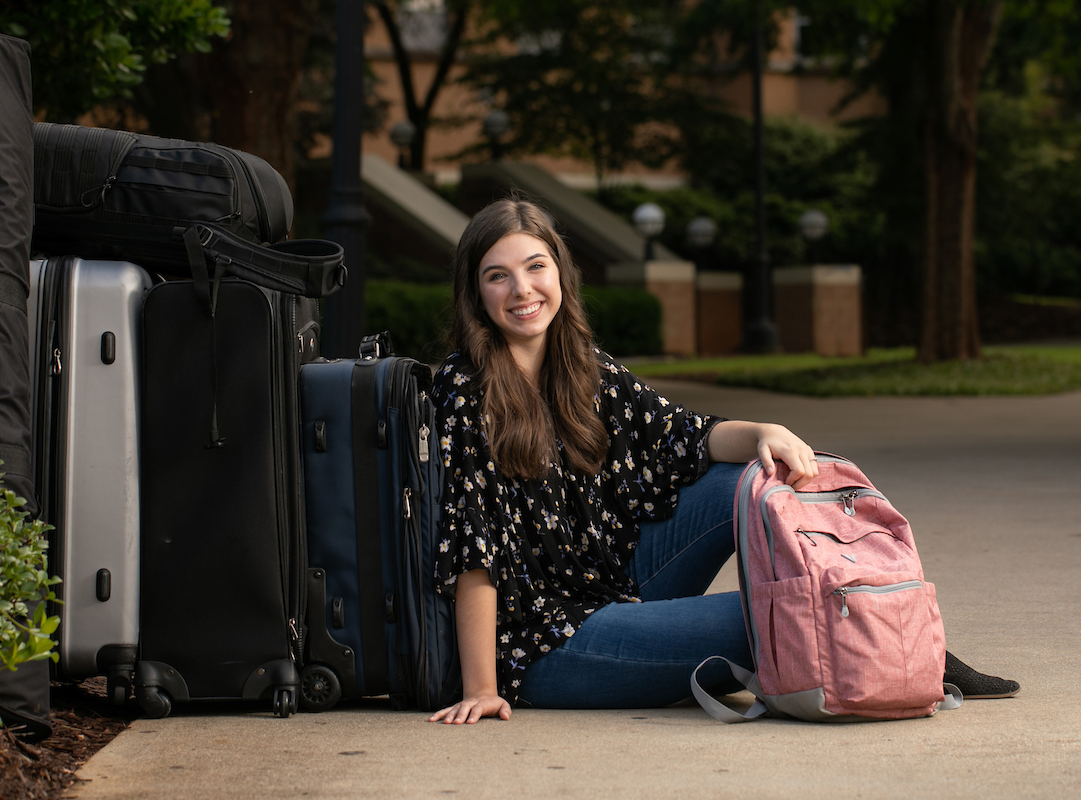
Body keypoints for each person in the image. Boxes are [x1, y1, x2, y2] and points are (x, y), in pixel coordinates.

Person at [427, 198, 1018, 724]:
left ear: (560, 272)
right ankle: (904, 641)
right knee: (772, 616)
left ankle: (890, 620)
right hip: (546, 641)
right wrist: (483, 687)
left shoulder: (582, 366)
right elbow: (475, 550)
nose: (522, 290)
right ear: (476, 293)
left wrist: (769, 430)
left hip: (611, 585)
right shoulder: (465, 389)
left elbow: (683, 436)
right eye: (497, 276)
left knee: (748, 479)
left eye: (535, 267)